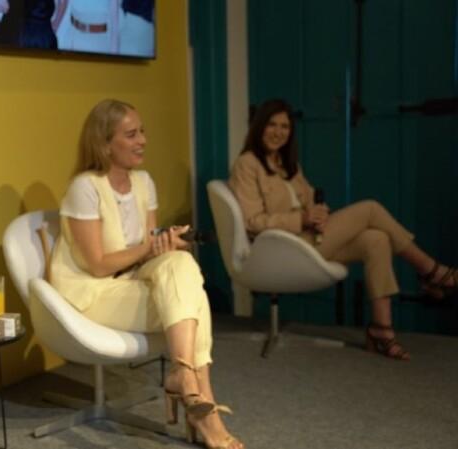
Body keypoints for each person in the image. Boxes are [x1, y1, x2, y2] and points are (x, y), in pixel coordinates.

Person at [49, 99, 244, 449]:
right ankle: (202, 402)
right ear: (105, 143)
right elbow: (98, 264)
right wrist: (150, 247)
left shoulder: (144, 182)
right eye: (131, 134)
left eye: (142, 132)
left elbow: (149, 252)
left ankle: (184, 377)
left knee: (181, 264)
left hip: (132, 281)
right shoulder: (85, 187)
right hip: (92, 292)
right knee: (194, 300)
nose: (142, 140)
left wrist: (165, 244)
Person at [229, 98, 457, 361]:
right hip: (283, 247)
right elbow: (253, 222)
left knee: (376, 239)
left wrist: (320, 213)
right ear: (259, 126)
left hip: (310, 239)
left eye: (285, 126)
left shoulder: (288, 164)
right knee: (370, 209)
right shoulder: (247, 164)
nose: (278, 132)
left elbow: (310, 200)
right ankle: (432, 271)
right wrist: (302, 219)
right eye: (272, 124)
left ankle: (381, 330)